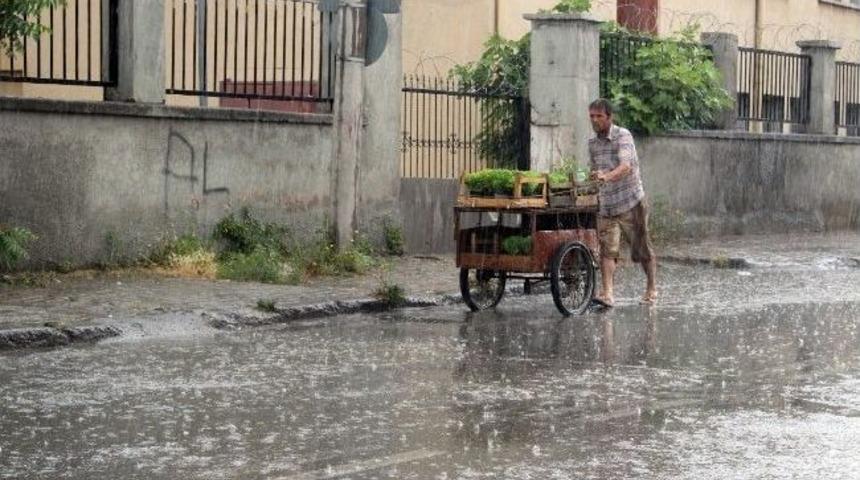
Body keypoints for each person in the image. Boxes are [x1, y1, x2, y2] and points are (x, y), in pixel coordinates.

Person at [587, 98, 657, 307]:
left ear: (609, 117)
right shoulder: (592, 144)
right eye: (591, 116)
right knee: (608, 250)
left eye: (599, 116)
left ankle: (652, 287)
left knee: (641, 249)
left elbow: (626, 166)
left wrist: (606, 177)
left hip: (631, 202)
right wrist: (594, 176)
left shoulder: (622, 136)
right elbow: (594, 169)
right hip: (607, 205)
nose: (595, 120)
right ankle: (608, 294)